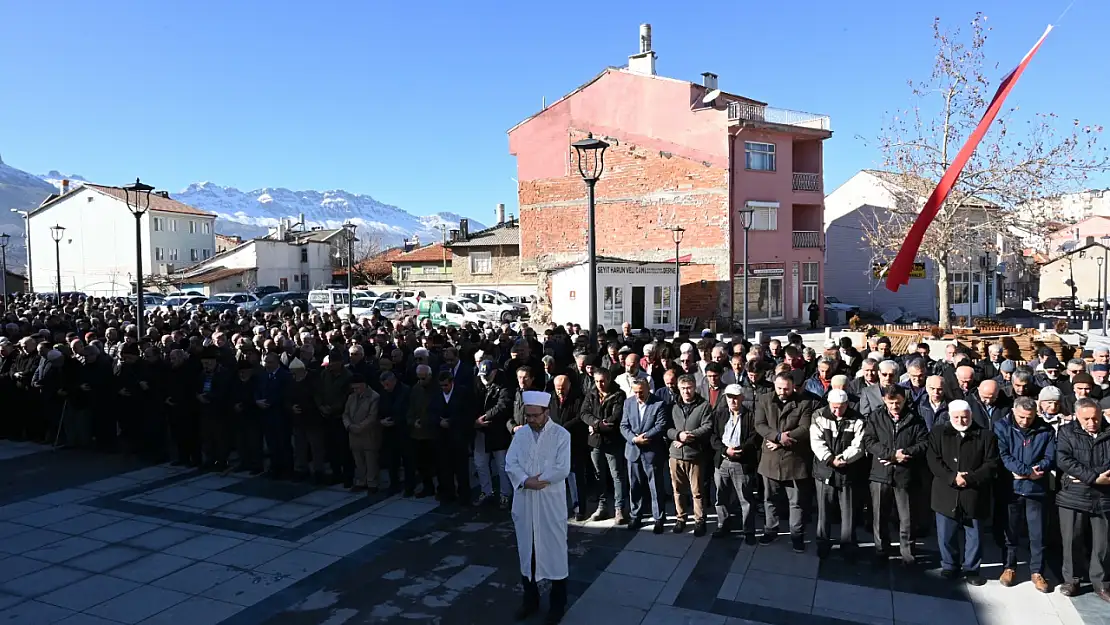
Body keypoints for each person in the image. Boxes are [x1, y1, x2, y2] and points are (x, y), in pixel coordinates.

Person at [505, 390, 571, 625]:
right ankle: (530, 601)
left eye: (535, 416)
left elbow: (562, 468)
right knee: (527, 552)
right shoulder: (521, 436)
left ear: (546, 412)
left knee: (555, 554)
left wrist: (538, 480)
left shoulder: (561, 435)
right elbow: (510, 463)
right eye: (528, 415)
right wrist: (524, 480)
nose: (531, 420)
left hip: (549, 503)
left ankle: (557, 605)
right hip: (525, 502)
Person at [927, 399, 999, 586]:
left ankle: (972, 569)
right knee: (946, 534)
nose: (961, 420)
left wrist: (970, 478)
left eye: (965, 417)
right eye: (957, 417)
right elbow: (933, 460)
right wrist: (952, 477)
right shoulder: (938, 433)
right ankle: (950, 565)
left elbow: (991, 464)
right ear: (949, 416)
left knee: (974, 534)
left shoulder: (986, 436)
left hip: (974, 492)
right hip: (946, 491)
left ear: (971, 416)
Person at [862, 386, 929, 565]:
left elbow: (923, 443)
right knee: (879, 515)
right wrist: (891, 455)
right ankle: (881, 549)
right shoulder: (876, 417)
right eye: (891, 403)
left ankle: (907, 552)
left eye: (898, 403)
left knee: (907, 517)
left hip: (905, 474)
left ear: (904, 400)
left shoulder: (915, 419)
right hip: (880, 474)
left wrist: (905, 454)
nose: (894, 406)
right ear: (884, 400)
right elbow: (869, 441)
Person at [994, 396, 1054, 593]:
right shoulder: (1002, 427)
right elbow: (1003, 455)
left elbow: (1050, 456)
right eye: (1021, 417)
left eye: (1029, 417)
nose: (1025, 421)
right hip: (1011, 488)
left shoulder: (1045, 429)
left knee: (1037, 534)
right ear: (1013, 411)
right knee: (1010, 532)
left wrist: (1037, 470)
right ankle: (1009, 567)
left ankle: (1037, 571)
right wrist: (1026, 471)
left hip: (1036, 490)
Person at [754, 373, 819, 552]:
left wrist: (782, 439)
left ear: (793, 387)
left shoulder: (805, 402)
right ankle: (770, 529)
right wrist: (776, 436)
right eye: (780, 388)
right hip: (770, 459)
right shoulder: (764, 399)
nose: (783, 392)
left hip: (795, 460)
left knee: (796, 501)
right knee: (770, 499)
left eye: (787, 388)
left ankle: (797, 535)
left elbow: (805, 428)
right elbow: (759, 424)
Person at [1054, 398, 1110, 601]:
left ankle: (1101, 583)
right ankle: (1072, 580)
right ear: (1077, 416)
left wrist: (1087, 477)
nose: (1092, 422)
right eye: (1086, 419)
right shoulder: (1067, 432)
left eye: (1095, 418)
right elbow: (1064, 460)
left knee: (1103, 543)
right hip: (1073, 497)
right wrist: (1095, 478)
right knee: (1072, 541)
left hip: (1104, 497)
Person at [810, 389, 867, 559]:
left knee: (848, 512)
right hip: (825, 470)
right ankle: (822, 543)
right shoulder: (819, 416)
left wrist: (844, 458)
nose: (837, 411)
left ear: (847, 405)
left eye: (840, 408)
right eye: (834, 407)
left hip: (848, 471)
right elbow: (816, 441)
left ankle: (848, 545)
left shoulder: (857, 419)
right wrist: (830, 459)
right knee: (824, 511)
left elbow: (859, 444)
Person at [620, 377, 669, 533]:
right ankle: (636, 515)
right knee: (634, 486)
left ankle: (659, 518)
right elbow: (624, 425)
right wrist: (634, 439)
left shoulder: (658, 403)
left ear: (648, 389)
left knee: (655, 486)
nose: (638, 395)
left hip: (651, 451)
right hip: (633, 451)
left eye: (641, 392)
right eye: (635, 392)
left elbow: (660, 425)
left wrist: (645, 437)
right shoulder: (628, 403)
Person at [666, 374, 713, 536]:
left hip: (695, 455)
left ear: (695, 388)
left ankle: (700, 521)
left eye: (689, 388)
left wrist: (688, 437)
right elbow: (667, 428)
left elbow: (707, 426)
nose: (686, 391)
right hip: (675, 455)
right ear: (679, 389)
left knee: (697, 491)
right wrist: (678, 435)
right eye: (683, 388)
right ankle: (681, 518)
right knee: (678, 490)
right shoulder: (673, 406)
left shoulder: (704, 405)